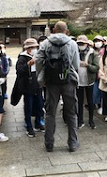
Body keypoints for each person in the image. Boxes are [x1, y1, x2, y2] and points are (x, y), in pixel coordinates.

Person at [35, 21, 80, 152]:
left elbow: (38, 61)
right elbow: (76, 64)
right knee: (71, 113)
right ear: (66, 31)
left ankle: (49, 143)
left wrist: (41, 77)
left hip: (51, 82)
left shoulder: (45, 43)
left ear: (54, 30)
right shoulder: (72, 43)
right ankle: (72, 143)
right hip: (68, 81)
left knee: (50, 113)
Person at [16, 38, 44, 137]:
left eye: (35, 47)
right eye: (32, 47)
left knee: (40, 104)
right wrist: (28, 64)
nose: (34, 49)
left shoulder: (38, 56)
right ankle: (29, 126)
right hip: (28, 86)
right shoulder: (23, 57)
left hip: (38, 84)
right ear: (27, 48)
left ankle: (38, 123)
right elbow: (19, 71)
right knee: (28, 106)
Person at [76, 35, 99, 129]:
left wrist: (87, 65)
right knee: (79, 102)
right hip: (78, 80)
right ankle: (80, 120)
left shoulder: (92, 53)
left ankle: (91, 120)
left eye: (82, 43)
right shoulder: (75, 52)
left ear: (86, 44)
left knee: (90, 101)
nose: (80, 45)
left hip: (89, 80)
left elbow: (96, 67)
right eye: (79, 43)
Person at [92, 35, 105, 114]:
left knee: (103, 91)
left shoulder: (105, 51)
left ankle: (103, 106)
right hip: (94, 74)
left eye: (99, 41)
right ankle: (98, 104)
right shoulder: (92, 51)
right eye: (96, 41)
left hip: (103, 74)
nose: (97, 43)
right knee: (95, 91)